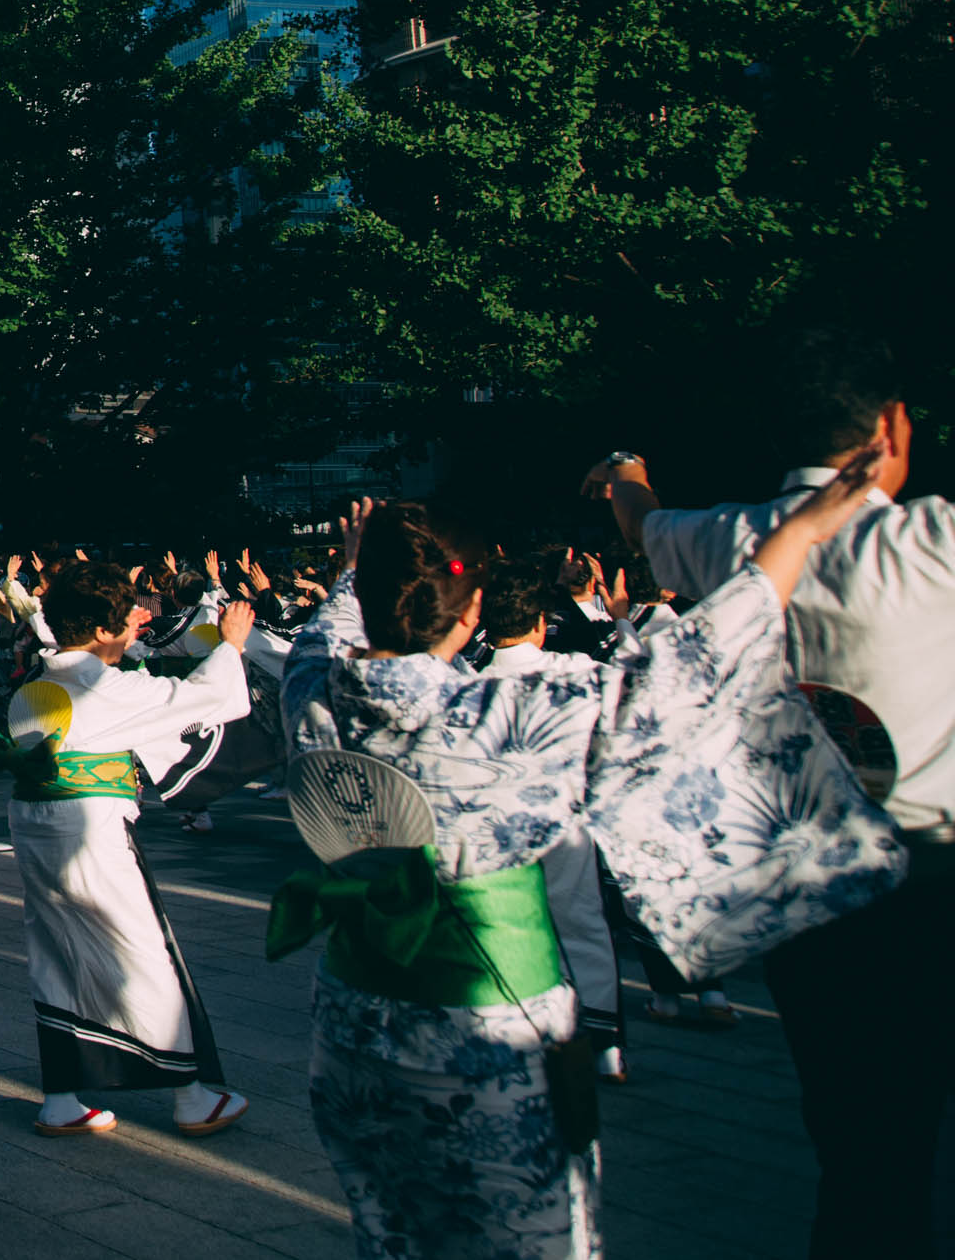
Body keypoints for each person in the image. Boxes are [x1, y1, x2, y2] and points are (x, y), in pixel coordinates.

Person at [274, 472, 902, 1260]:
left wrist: (352, 568)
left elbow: (325, 631)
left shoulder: (315, 689)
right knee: (527, 1235)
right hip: (483, 1017)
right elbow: (689, 667)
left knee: (394, 1223)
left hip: (352, 1015)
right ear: (470, 612)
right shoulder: (510, 711)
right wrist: (794, 537)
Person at [585, 328, 955, 1252]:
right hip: (937, 874)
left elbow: (638, 523)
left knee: (864, 1149)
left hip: (805, 892)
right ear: (891, 428)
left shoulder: (726, 540)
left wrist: (626, 467)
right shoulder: (936, 541)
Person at [0, 559, 253, 1138]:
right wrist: (231, 646)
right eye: (125, 619)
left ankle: (62, 1098)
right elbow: (202, 697)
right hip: (91, 831)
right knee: (143, 952)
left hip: (37, 829)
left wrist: (124, 635)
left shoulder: (39, 680)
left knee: (57, 948)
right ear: (101, 630)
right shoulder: (106, 686)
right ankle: (190, 1094)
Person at [473, 557, 627, 1081]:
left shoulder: (465, 683)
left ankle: (523, 1031)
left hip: (495, 825)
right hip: (564, 816)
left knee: (507, 926)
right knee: (582, 925)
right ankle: (603, 1046)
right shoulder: (579, 674)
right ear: (540, 623)